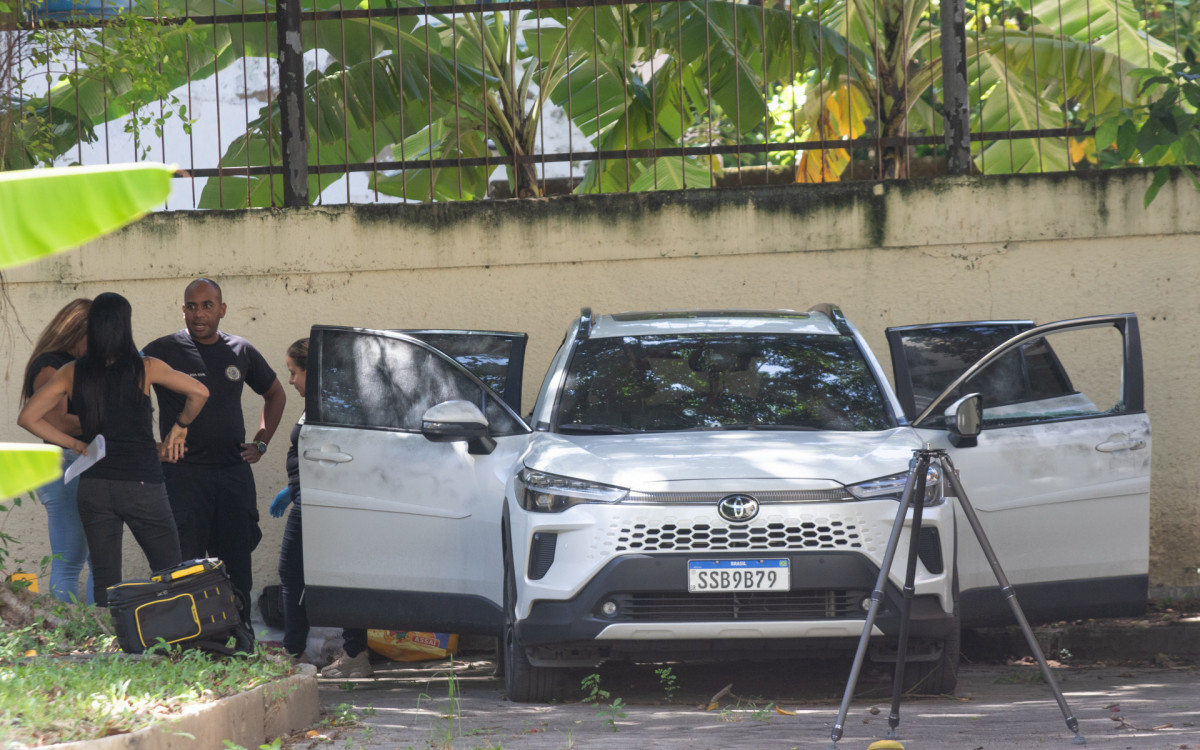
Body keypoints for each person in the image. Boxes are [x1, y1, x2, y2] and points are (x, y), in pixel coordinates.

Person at [17, 292, 208, 606]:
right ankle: (178, 642)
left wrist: (75, 444)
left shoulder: (72, 372)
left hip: (94, 485)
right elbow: (199, 392)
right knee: (170, 570)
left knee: (105, 578)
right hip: (142, 484)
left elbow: (28, 417)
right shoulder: (145, 367)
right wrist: (180, 427)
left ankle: (108, 646)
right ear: (125, 326)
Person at [143, 278, 286, 601]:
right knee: (183, 568)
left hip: (231, 475)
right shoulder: (161, 351)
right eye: (191, 307)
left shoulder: (241, 350)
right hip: (183, 476)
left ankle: (240, 639)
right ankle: (188, 642)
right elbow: (127, 397)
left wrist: (261, 443)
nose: (199, 314)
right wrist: (150, 447)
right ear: (183, 311)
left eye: (207, 306)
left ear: (221, 309)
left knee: (236, 565)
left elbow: (275, 394)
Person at [270, 338, 372, 677]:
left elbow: (336, 456)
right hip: (307, 497)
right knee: (323, 574)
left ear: (310, 373)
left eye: (294, 372)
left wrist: (300, 491)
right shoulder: (319, 403)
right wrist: (291, 488)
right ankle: (349, 654)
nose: (290, 381)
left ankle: (299, 653)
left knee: (297, 573)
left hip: (318, 502)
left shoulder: (330, 405)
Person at [20, 298, 94, 604]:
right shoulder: (51, 364)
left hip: (75, 464)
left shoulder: (74, 363)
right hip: (63, 463)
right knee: (69, 563)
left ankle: (93, 637)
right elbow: (56, 421)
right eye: (96, 335)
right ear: (77, 331)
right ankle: (69, 639)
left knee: (95, 562)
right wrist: (108, 421)